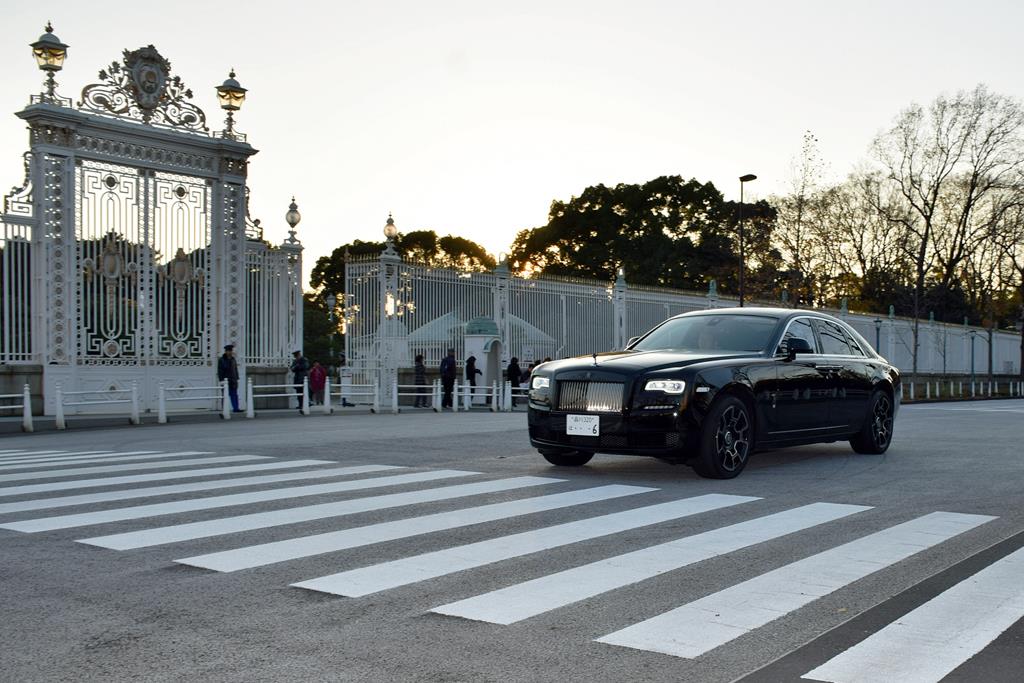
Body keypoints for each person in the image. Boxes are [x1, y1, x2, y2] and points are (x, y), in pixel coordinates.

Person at [217, 344, 241, 413]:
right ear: (225, 351)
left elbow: (235, 370)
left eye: (230, 351)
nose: (230, 352)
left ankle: (236, 408)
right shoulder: (222, 360)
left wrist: (237, 378)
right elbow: (220, 370)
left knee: (234, 395)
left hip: (233, 380)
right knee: (225, 395)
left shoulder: (233, 359)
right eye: (228, 351)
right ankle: (224, 409)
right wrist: (221, 380)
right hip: (226, 380)